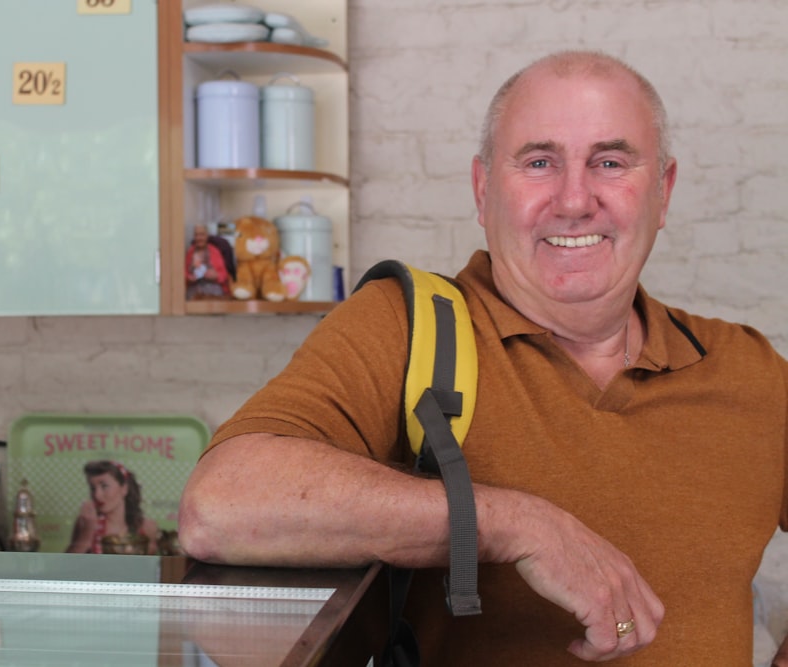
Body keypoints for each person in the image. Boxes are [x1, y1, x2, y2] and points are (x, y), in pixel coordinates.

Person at [178, 50, 788, 665]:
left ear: (663, 191)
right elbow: (220, 504)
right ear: (482, 188)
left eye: (610, 162)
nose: (574, 200)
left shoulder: (750, 371)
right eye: (540, 162)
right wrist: (511, 524)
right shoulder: (403, 328)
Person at [66, 460, 158, 555]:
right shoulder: (85, 523)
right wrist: (85, 537)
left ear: (124, 489)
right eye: (92, 488)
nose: (97, 495)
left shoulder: (147, 527)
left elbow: (153, 566)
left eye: (104, 486)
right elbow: (66, 566)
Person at [185, 223, 231, 299]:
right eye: (196, 235)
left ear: (207, 236)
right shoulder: (190, 252)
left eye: (202, 235)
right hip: (194, 288)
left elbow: (224, 275)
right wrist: (189, 278)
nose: (199, 238)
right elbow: (184, 273)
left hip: (213, 288)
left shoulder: (215, 251)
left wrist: (216, 276)